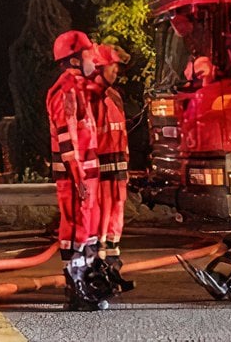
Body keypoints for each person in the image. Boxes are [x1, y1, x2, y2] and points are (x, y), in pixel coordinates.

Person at [46, 29, 105, 311]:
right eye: (88, 52)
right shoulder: (66, 90)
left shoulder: (81, 88)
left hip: (86, 174)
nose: (93, 57)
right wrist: (79, 177)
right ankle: (77, 287)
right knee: (77, 230)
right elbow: (67, 136)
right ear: (73, 59)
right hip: (75, 177)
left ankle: (86, 285)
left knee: (88, 229)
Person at [86, 43, 134, 295]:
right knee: (99, 222)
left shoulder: (114, 96)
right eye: (113, 67)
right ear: (99, 67)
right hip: (99, 171)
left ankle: (113, 266)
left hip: (118, 172)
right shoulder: (89, 97)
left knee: (115, 219)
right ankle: (97, 268)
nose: (116, 72)